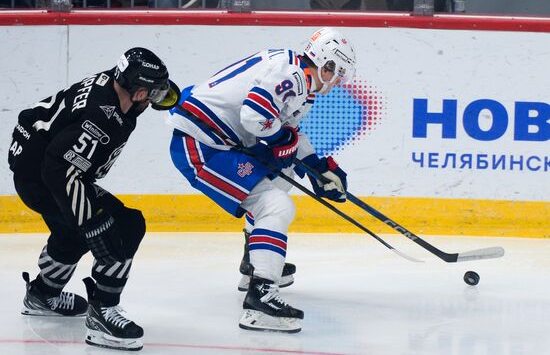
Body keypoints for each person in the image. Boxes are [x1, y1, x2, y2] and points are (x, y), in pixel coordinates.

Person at [167, 27, 355, 333]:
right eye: (338, 73)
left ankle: (254, 265)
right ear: (326, 63)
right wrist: (282, 138)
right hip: (202, 145)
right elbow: (254, 118)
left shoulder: (300, 79)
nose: (337, 82)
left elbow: (287, 131)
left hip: (219, 141)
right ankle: (261, 297)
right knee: (276, 205)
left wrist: (319, 167)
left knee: (283, 176)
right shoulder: (292, 74)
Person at [7, 47, 180, 351]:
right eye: (153, 94)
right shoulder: (102, 117)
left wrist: (82, 223)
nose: (155, 100)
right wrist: (93, 223)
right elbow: (59, 170)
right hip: (46, 179)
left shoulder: (112, 85)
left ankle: (43, 293)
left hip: (36, 172)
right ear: (139, 93)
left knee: (71, 231)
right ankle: (103, 312)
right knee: (125, 226)